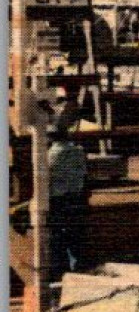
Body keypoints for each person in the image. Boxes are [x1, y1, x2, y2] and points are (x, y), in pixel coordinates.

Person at [46, 103, 89, 277]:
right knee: (76, 237)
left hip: (58, 201)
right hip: (76, 198)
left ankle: (62, 270)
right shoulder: (78, 151)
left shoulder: (51, 156)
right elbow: (84, 176)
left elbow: (47, 181)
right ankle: (77, 268)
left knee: (59, 238)